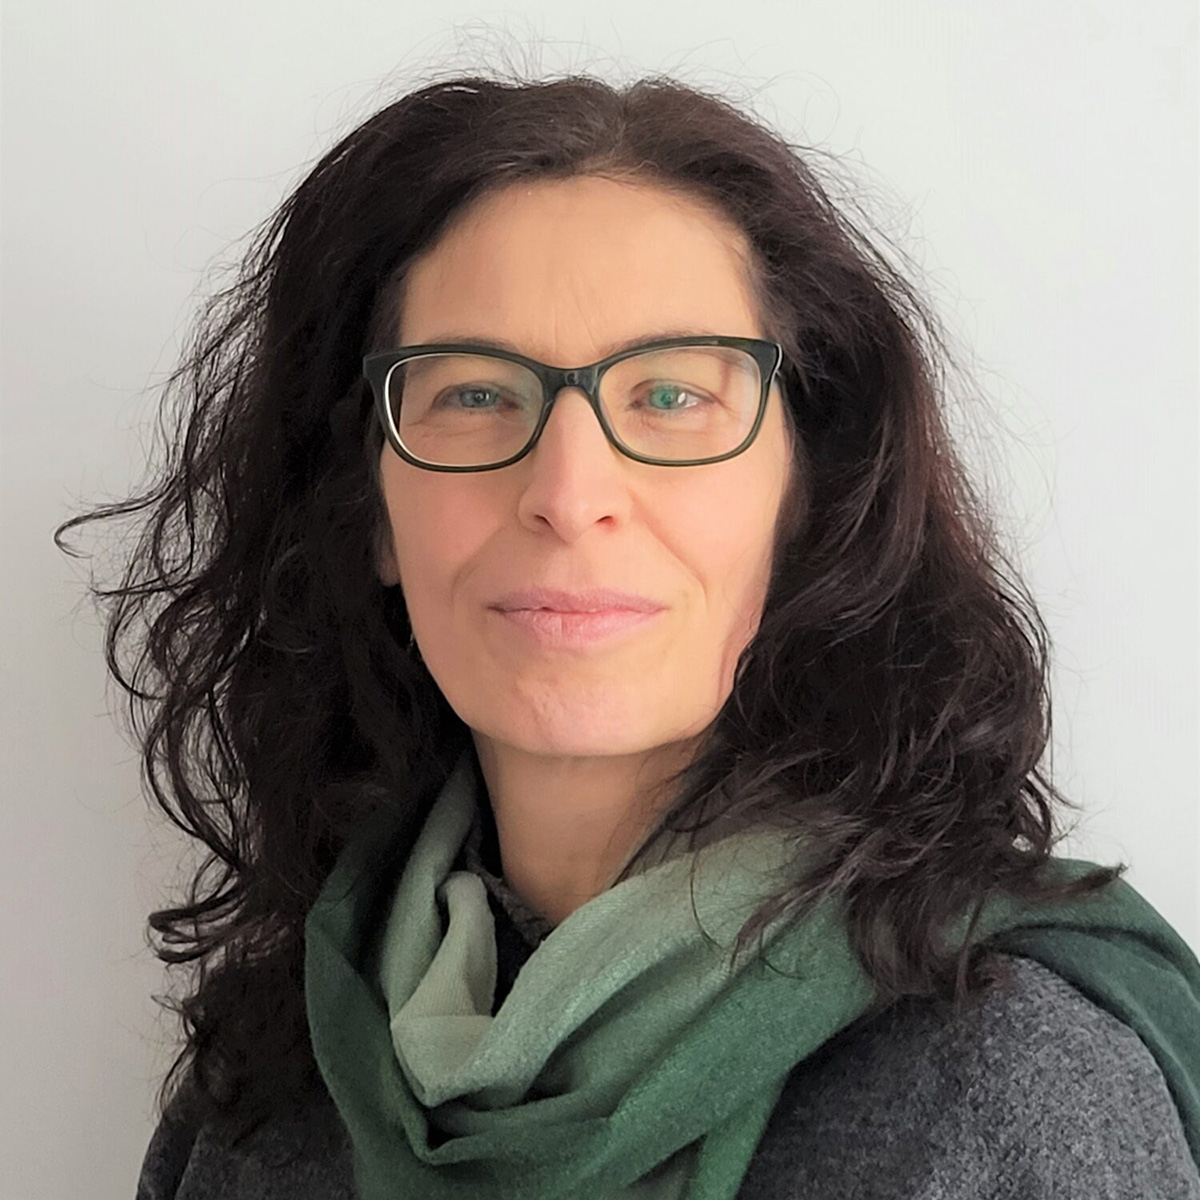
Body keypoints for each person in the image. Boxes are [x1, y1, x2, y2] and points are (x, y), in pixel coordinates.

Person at [56, 71, 1200, 1199]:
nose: (569, 492)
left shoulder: (1011, 1087)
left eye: (670, 396)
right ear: (372, 514)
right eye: (474, 395)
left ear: (805, 500)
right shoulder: (266, 1095)